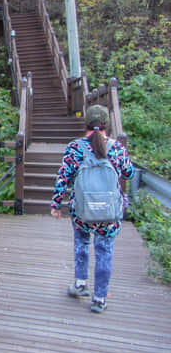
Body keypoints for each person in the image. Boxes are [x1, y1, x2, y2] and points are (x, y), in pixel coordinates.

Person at [51, 105, 135, 313]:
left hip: (82, 211)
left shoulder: (75, 148)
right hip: (109, 214)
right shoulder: (116, 148)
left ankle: (80, 284)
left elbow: (63, 177)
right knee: (104, 251)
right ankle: (99, 298)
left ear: (86, 123)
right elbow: (129, 173)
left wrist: (56, 204)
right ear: (107, 124)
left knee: (81, 243)